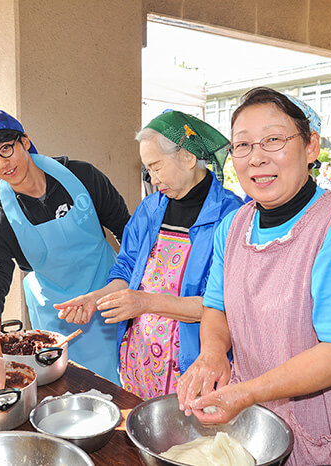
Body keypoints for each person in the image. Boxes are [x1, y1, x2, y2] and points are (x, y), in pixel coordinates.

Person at [176, 88, 331, 465]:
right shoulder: (233, 227)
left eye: (273, 140)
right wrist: (213, 353)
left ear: (311, 146)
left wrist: (247, 392)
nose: (257, 158)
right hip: (268, 428)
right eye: (243, 145)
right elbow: (216, 305)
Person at [55, 110, 243, 400]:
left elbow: (222, 306)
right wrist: (95, 299)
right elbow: (127, 268)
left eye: (156, 167)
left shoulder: (231, 216)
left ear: (188, 158)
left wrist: (144, 302)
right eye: (148, 170)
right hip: (140, 357)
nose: (153, 180)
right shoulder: (150, 209)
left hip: (193, 363)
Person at [0, 110, 130, 393]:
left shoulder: (83, 177)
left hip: (109, 302)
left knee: (126, 389)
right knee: (72, 394)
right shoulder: (2, 219)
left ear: (25, 141)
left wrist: (134, 287)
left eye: (6, 149)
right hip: (57, 320)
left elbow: (127, 234)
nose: (2, 163)